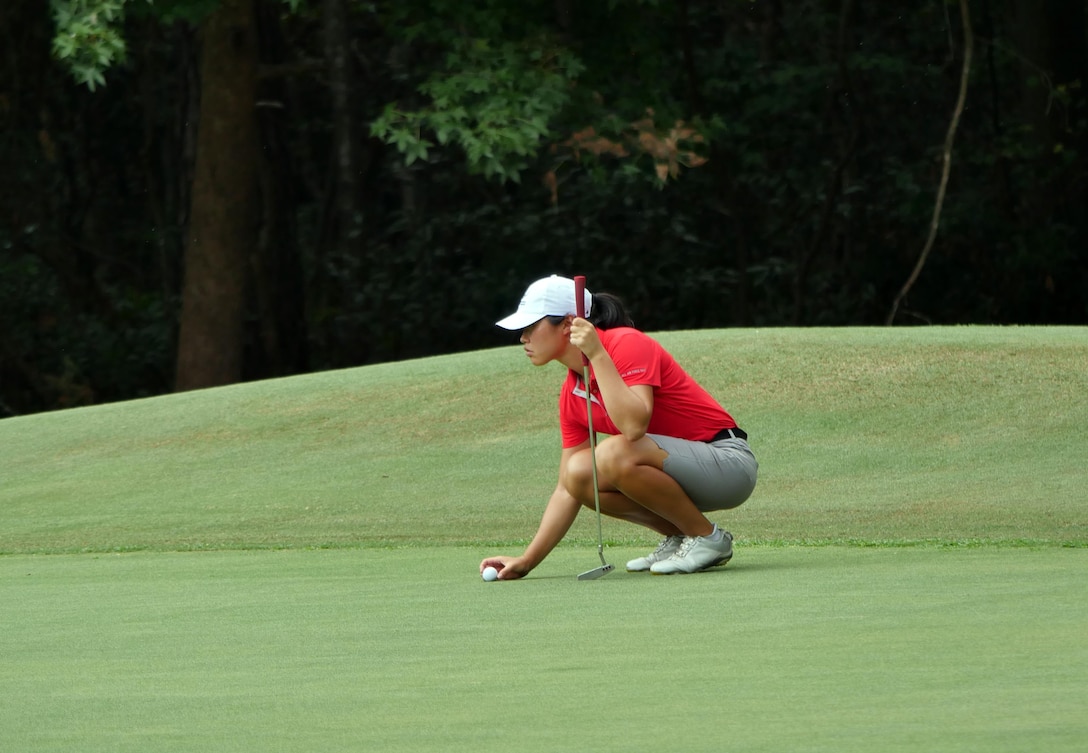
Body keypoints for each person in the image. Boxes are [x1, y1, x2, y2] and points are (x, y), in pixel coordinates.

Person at [480, 275, 758, 579]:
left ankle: (707, 538)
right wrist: (527, 560)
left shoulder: (626, 343)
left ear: (569, 323)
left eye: (532, 327)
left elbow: (634, 425)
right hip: (678, 473)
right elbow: (566, 488)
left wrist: (597, 354)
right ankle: (682, 535)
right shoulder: (571, 393)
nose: (523, 338)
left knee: (613, 452)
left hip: (728, 464)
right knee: (579, 473)